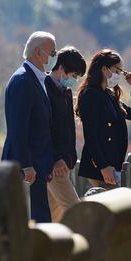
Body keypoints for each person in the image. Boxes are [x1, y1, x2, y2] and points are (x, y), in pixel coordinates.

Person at [2, 31, 56, 222]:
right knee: (31, 221)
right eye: (52, 53)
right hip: (27, 166)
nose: (54, 57)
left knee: (41, 219)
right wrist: (26, 164)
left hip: (38, 163)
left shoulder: (36, 79)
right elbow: (18, 128)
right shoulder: (23, 81)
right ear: (38, 52)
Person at [75, 49, 131, 189]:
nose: (119, 75)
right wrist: (103, 165)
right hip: (100, 166)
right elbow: (91, 135)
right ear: (105, 69)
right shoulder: (91, 95)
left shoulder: (109, 94)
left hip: (113, 164)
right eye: (117, 71)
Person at [44, 46, 86, 221]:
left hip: (65, 164)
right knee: (76, 212)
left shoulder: (66, 92)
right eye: (73, 75)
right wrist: (56, 158)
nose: (74, 80)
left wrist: (68, 158)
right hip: (54, 165)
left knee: (56, 217)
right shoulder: (44, 88)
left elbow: (68, 129)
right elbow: (44, 129)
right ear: (61, 68)